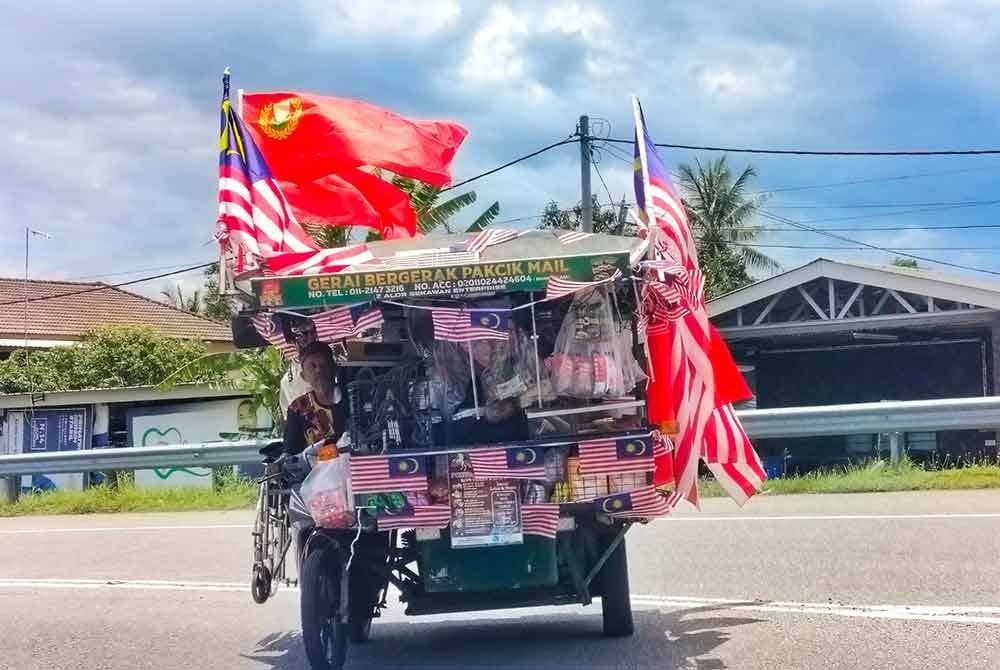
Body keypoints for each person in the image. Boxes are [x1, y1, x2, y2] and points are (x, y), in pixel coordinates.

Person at [282, 342, 348, 455]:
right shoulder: (297, 408)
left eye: (324, 365)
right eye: (312, 366)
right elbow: (290, 450)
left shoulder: (352, 396)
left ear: (335, 370)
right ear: (304, 376)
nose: (318, 370)